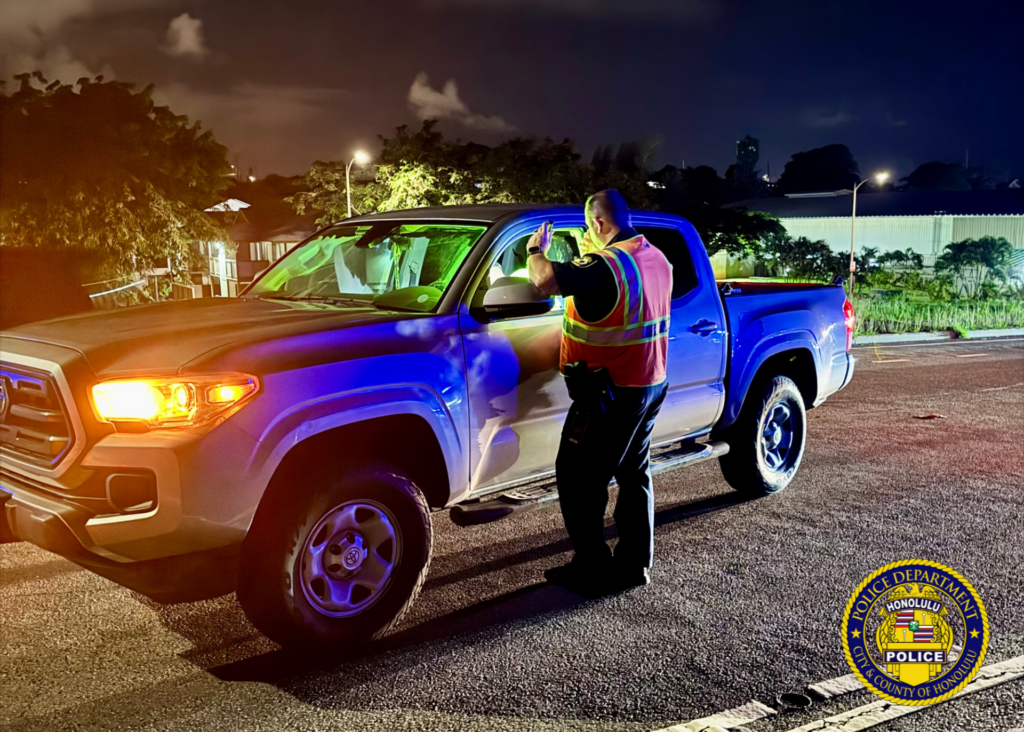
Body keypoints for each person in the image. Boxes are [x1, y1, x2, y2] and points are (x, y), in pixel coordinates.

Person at [527, 189, 672, 595]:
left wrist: (535, 248)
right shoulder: (654, 257)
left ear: (599, 224)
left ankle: (591, 565)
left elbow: (543, 281)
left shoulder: (606, 265)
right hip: (650, 383)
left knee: (577, 478)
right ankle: (633, 565)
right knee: (633, 473)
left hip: (609, 393)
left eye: (590, 227)